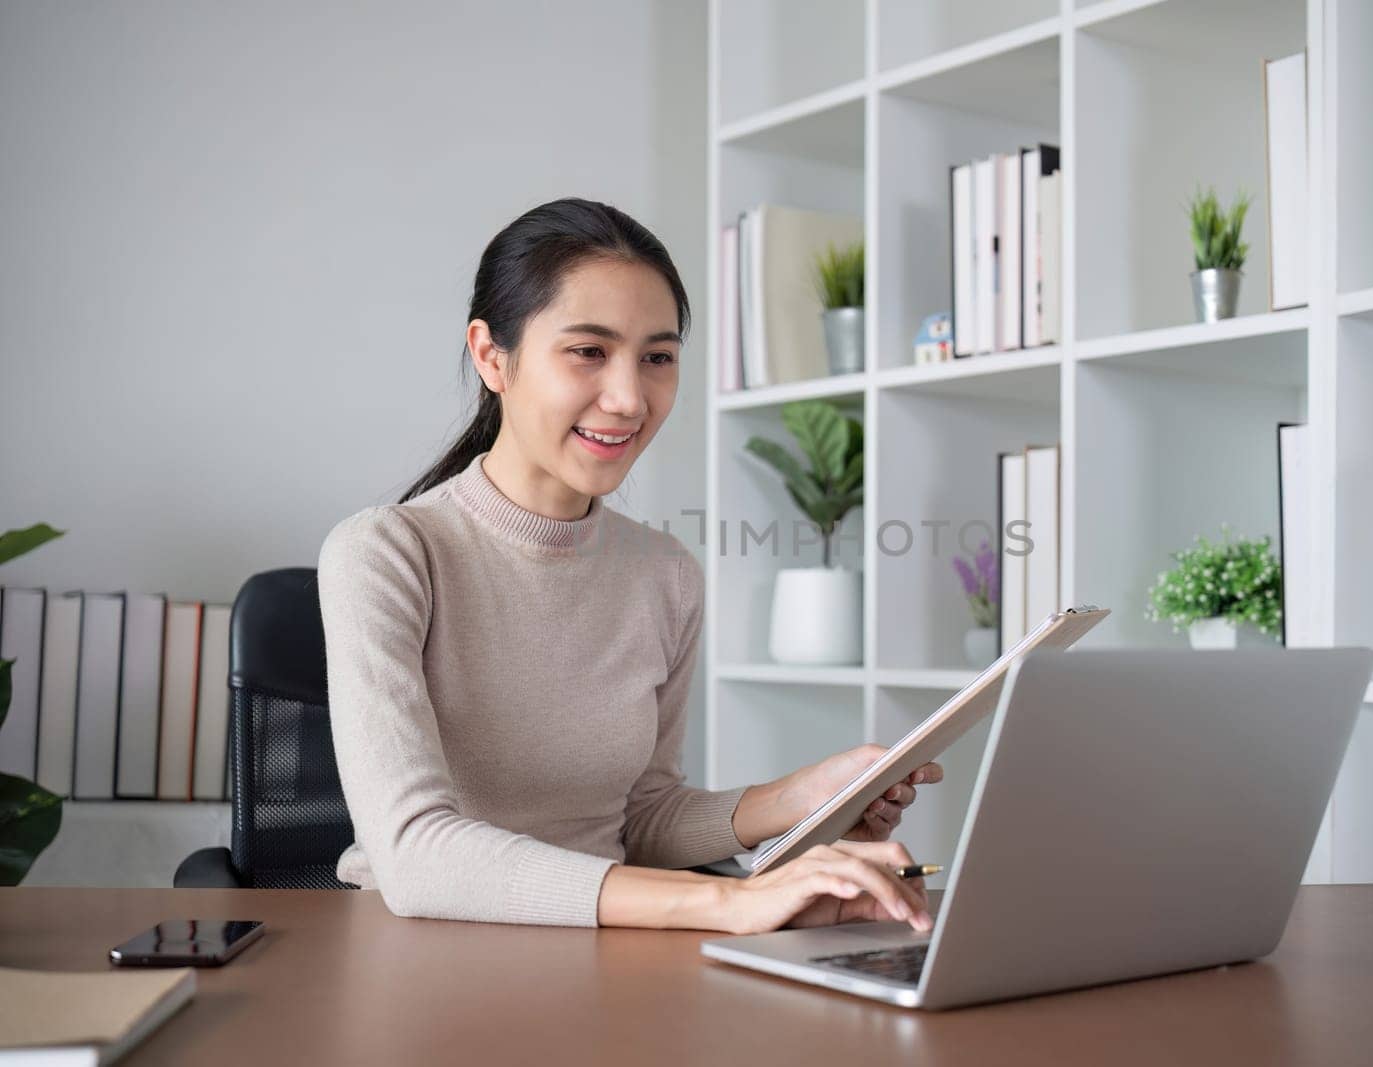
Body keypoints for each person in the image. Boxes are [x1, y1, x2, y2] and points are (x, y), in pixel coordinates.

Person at [318, 197, 941, 934]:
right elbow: (416, 854)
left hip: (610, 952)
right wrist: (732, 902)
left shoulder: (665, 573)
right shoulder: (387, 553)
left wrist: (804, 795)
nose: (628, 398)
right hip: (423, 955)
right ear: (492, 356)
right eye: (588, 351)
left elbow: (641, 817)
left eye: (657, 357)